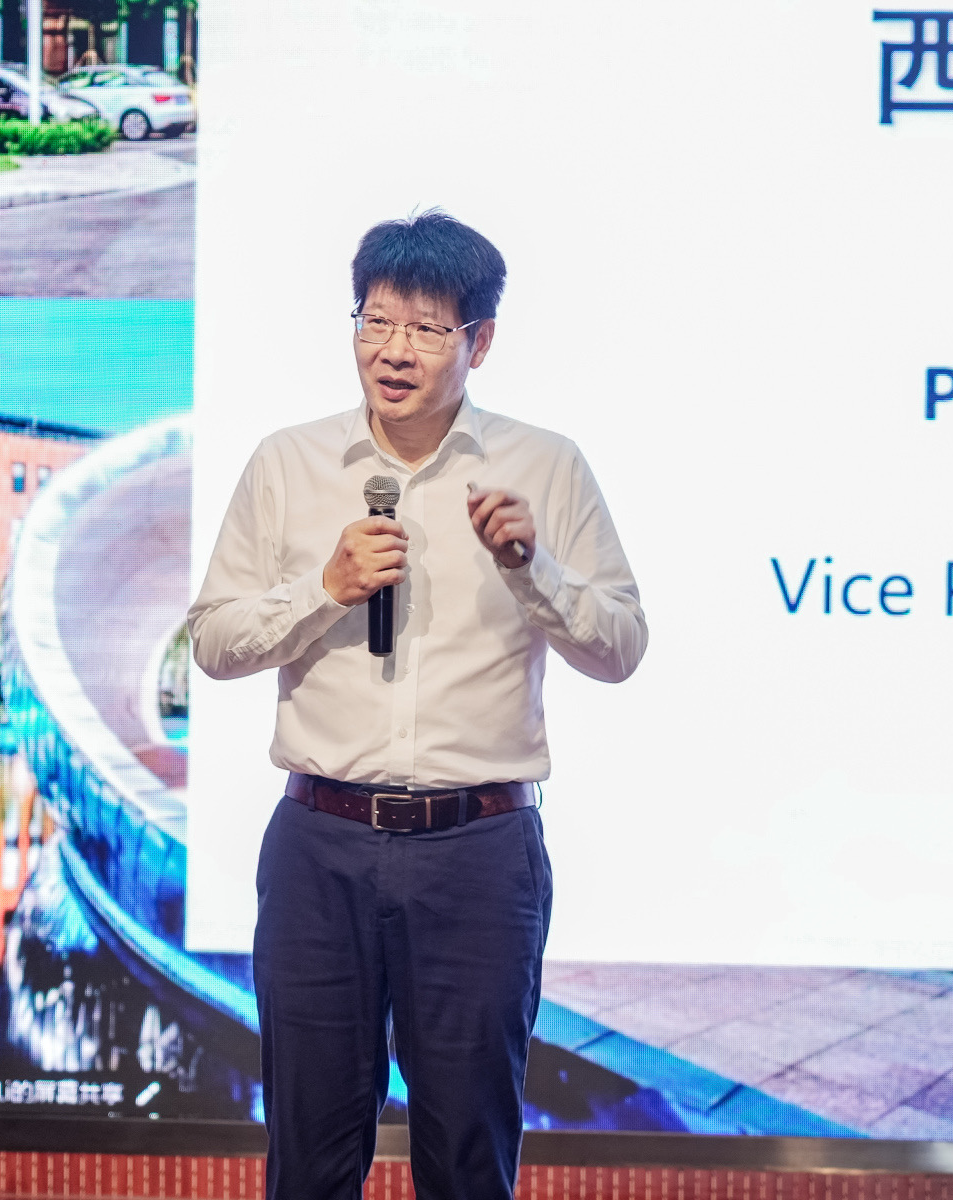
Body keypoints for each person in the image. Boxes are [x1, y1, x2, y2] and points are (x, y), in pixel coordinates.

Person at [187, 211, 647, 1200]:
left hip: (479, 853)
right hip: (319, 845)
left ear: (480, 341)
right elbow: (214, 644)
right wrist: (324, 589)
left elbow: (620, 649)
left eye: (427, 328)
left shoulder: (544, 466)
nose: (393, 350)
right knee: (308, 1158)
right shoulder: (287, 462)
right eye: (375, 321)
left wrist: (534, 569)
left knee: (468, 1157)